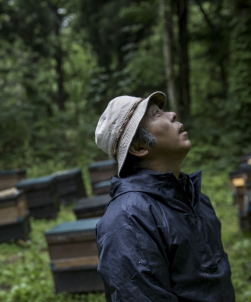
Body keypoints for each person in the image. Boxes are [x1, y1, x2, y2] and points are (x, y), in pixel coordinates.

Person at [94, 91, 235, 301]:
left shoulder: (195, 197)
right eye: (156, 114)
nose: (173, 114)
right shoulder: (128, 220)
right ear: (138, 147)